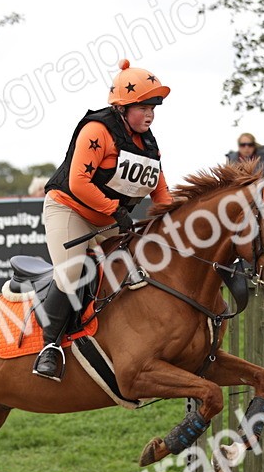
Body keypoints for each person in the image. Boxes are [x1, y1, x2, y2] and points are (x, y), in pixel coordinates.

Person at [34, 58, 172, 380]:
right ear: (123, 108)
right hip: (69, 210)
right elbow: (78, 182)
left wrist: (179, 226)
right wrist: (115, 210)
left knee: (136, 269)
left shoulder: (149, 144)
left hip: (109, 219)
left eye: (154, 107)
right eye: (143, 107)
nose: (150, 114)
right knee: (72, 271)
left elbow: (162, 196)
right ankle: (49, 347)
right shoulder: (97, 130)